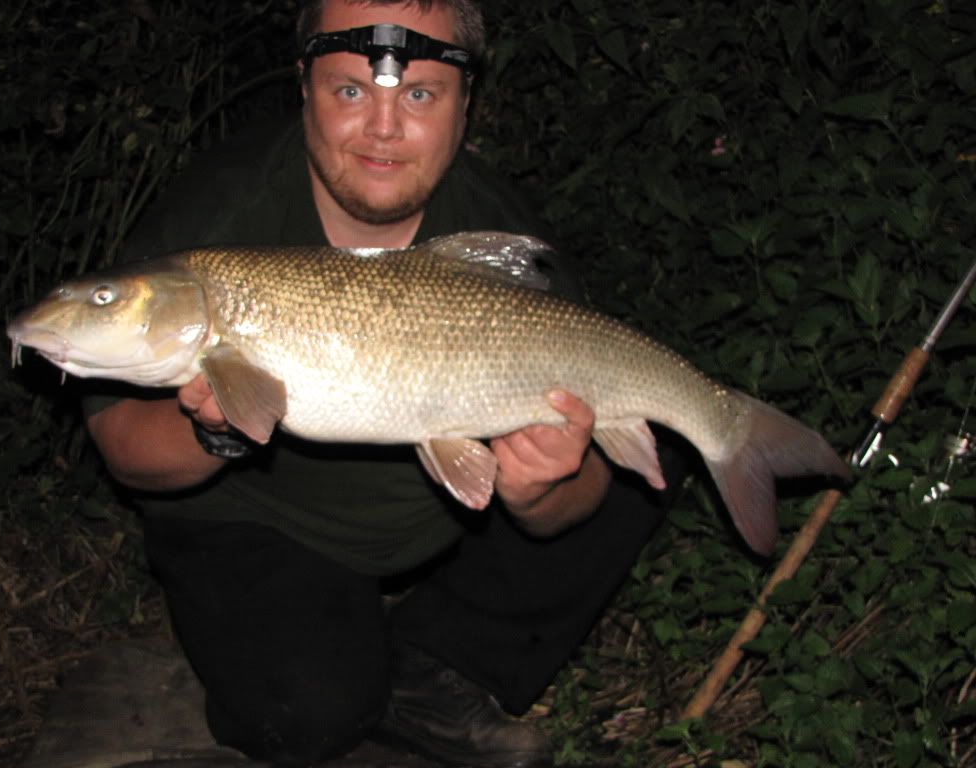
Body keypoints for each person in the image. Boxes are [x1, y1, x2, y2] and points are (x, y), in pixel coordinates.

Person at [83, 1, 680, 766]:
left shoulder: (501, 234)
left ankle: (440, 665)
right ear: (303, 86)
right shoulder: (218, 215)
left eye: (421, 94)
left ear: (467, 104)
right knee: (306, 714)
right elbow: (125, 452)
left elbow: (580, 495)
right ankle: (338, 658)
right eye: (351, 91)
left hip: (445, 522)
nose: (385, 130)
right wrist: (218, 425)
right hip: (266, 526)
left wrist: (543, 490)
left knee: (664, 432)